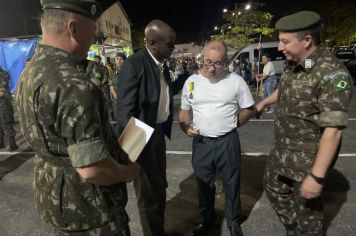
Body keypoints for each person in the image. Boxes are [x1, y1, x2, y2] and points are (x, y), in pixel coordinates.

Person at [15, 0, 141, 235]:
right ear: (73, 29)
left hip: (56, 199)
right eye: (92, 31)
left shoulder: (30, 72)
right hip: (90, 210)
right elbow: (93, 169)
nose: (94, 39)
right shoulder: (74, 85)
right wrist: (129, 172)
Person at [256, 11, 353, 236]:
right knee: (273, 187)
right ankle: (292, 227)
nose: (280, 47)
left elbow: (334, 131)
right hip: (284, 149)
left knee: (308, 214)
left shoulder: (333, 74)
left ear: (307, 40)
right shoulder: (299, 62)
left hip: (309, 158)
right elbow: (286, 88)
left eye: (285, 41)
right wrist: (263, 103)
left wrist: (317, 176)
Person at [116, 19, 188, 236]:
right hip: (140, 136)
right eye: (170, 44)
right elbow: (123, 112)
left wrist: (185, 78)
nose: (173, 48)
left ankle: (158, 230)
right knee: (148, 195)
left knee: (159, 187)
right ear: (153, 42)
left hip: (156, 134)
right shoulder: (135, 64)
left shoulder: (160, 64)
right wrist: (131, 152)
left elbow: (165, 93)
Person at [179, 40, 255, 236]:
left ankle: (233, 221)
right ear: (202, 59)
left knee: (231, 182)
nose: (212, 68)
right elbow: (184, 112)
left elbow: (249, 109)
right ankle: (208, 220)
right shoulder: (192, 82)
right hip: (202, 143)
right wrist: (185, 126)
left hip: (227, 141)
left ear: (226, 61)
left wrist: (233, 124)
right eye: (208, 62)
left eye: (218, 63)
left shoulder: (236, 81)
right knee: (204, 184)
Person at [0, 66, 18, 151]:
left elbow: (2, 92)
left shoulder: (2, 75)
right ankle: (1, 143)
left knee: (6, 124)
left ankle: (13, 144)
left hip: (3, 106)